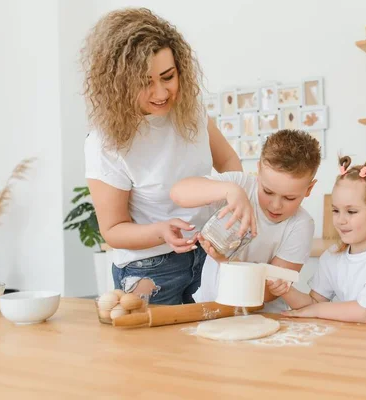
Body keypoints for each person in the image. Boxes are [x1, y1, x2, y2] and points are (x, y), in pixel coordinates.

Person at [81, 8, 246, 304]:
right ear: (119, 83)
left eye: (168, 77)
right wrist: (161, 231)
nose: (160, 92)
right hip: (150, 270)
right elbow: (113, 231)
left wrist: (231, 211)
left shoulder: (191, 113)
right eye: (145, 82)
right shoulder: (105, 143)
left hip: (208, 257)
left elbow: (229, 164)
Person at [170, 129, 321, 312]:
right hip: (210, 306)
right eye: (268, 191)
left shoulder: (301, 225)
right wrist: (231, 191)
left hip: (264, 316)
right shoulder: (240, 185)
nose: (275, 205)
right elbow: (178, 192)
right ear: (258, 170)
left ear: (309, 188)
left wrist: (227, 262)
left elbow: (268, 294)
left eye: (289, 198)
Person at [268, 156, 366, 323]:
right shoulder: (332, 256)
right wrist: (285, 291)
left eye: (351, 212)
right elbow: (314, 303)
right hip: (351, 339)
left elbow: (365, 313)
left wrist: (316, 310)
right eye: (335, 210)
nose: (340, 220)